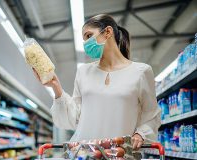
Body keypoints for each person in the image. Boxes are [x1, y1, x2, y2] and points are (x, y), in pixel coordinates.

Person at [33, 14, 161, 150]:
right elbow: (74, 117)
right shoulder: (83, 72)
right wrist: (56, 87)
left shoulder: (141, 72)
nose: (86, 44)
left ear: (108, 32)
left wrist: (141, 134)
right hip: (85, 153)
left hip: (119, 153)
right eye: (84, 40)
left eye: (88, 36)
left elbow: (151, 114)